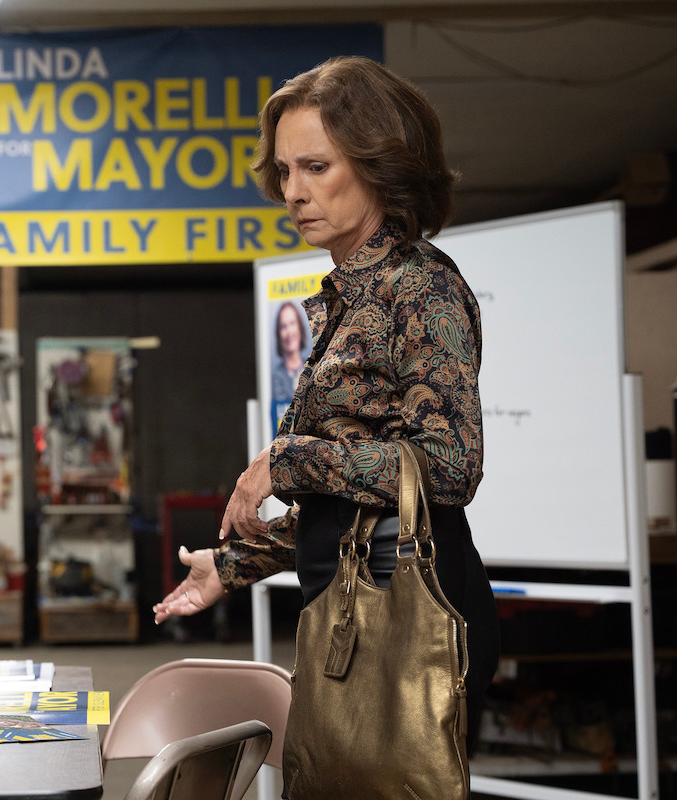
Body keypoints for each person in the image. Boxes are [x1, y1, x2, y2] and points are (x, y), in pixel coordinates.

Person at [153, 55, 500, 754]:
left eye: (316, 167)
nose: (292, 192)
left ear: (380, 165)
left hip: (409, 617)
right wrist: (231, 566)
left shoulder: (419, 288)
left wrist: (290, 459)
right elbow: (352, 510)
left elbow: (450, 469)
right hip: (354, 605)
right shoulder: (354, 295)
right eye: (283, 172)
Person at [270, 300, 309, 403]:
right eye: (283, 326)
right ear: (278, 334)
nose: (289, 332)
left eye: (292, 323)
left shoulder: (313, 369)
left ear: (300, 327)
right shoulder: (276, 377)